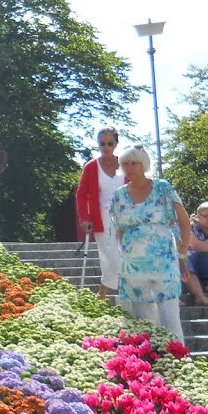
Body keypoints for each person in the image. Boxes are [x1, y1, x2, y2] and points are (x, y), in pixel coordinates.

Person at [110, 145, 192, 342]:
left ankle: (180, 363)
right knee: (144, 321)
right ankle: (151, 365)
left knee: (170, 317)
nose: (129, 167)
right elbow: (119, 229)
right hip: (134, 263)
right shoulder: (119, 195)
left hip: (163, 259)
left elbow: (184, 221)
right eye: (125, 164)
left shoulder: (163, 187)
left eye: (134, 163)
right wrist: (125, 255)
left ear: (144, 164)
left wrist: (182, 253)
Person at [75, 127, 125, 299]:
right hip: (102, 218)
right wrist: (84, 218)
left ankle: (103, 293)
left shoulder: (125, 164)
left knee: (126, 256)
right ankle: (105, 292)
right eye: (102, 143)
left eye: (109, 143)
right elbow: (81, 194)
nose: (105, 146)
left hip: (126, 217)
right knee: (112, 259)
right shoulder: (91, 166)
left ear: (116, 143)